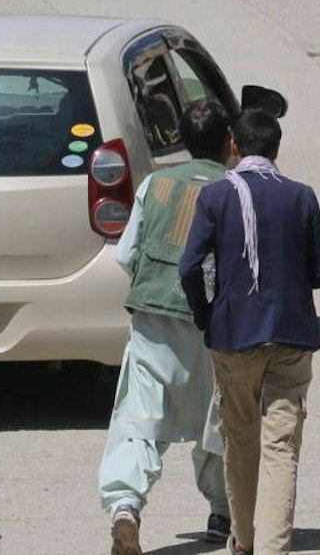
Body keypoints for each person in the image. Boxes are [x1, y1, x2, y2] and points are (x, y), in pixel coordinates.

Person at [178, 106, 320, 555]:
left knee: (241, 441)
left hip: (234, 335)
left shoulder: (215, 196)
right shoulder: (300, 196)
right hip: (290, 336)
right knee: (281, 446)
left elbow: (189, 266)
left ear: (233, 146)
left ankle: (243, 540)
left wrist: (206, 314)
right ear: (277, 148)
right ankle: (272, 546)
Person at [100, 100, 236, 555]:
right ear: (228, 143)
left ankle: (124, 505)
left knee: (139, 417)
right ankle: (223, 510)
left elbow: (125, 255)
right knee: (217, 416)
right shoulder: (234, 187)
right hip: (213, 322)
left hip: (154, 316)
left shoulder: (156, 184)